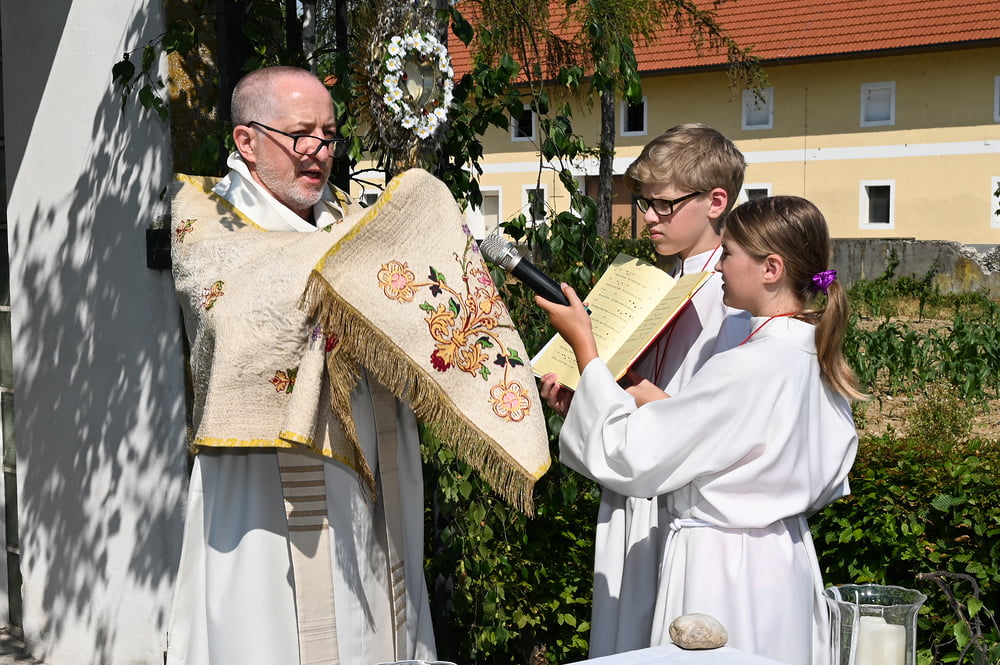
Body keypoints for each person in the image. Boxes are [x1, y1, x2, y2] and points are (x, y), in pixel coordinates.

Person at [166, 66, 436, 665]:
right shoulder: (207, 220)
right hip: (262, 490)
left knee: (368, 622)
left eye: (329, 135)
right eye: (301, 135)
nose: (319, 151)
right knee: (267, 632)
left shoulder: (350, 217)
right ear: (247, 141)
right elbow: (236, 321)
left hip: (363, 474)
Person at [537, 195, 863, 665]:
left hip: (721, 568)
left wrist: (585, 349)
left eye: (728, 254)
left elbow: (635, 457)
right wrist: (637, 395)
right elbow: (738, 444)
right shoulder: (814, 353)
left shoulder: (748, 365)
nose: (720, 266)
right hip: (785, 560)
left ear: (771, 268)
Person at [540, 123, 751, 657]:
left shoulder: (735, 302)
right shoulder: (662, 283)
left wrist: (612, 379)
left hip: (683, 507)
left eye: (664, 204)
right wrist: (585, 400)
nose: (649, 217)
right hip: (633, 498)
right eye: (644, 203)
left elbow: (719, 429)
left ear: (715, 202)